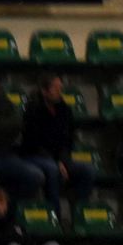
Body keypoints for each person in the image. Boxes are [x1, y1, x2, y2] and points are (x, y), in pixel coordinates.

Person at [22, 74, 96, 210]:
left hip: (59, 158)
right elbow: (32, 142)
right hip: (36, 156)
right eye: (55, 88)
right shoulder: (32, 110)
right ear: (44, 91)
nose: (59, 91)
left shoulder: (65, 110)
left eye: (60, 88)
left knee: (87, 170)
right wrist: (56, 162)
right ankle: (55, 217)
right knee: (52, 169)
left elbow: (68, 139)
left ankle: (79, 213)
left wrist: (62, 160)